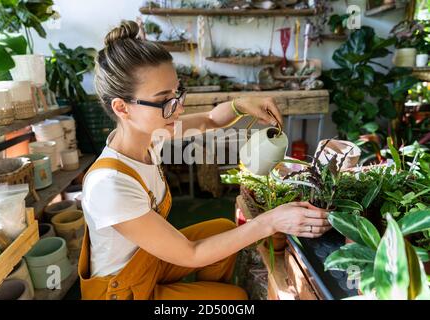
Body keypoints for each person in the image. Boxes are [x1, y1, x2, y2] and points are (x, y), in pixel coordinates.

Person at [78, 20, 331, 300]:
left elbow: (210, 119)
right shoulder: (110, 184)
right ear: (122, 107)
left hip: (145, 263)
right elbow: (191, 253)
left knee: (222, 231)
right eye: (165, 99)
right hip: (123, 291)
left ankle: (211, 292)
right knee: (234, 300)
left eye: (177, 92)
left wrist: (241, 103)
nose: (179, 107)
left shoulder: (148, 136)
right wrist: (270, 221)